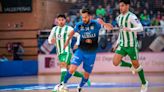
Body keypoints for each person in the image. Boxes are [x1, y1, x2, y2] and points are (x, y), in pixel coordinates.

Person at [58, 8, 112, 92]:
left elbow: (110, 28)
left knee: (86, 75)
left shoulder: (96, 24)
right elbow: (72, 32)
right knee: (72, 69)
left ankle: (80, 86)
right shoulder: (79, 25)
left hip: (91, 54)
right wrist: (67, 41)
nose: (84, 19)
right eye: (82, 17)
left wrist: (103, 23)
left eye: (85, 17)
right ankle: (63, 84)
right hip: (81, 51)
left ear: (90, 16)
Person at [48, 14, 91, 92]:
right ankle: (84, 78)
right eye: (59, 20)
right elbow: (49, 39)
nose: (61, 21)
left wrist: (77, 44)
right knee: (70, 70)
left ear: (65, 21)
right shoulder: (54, 29)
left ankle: (61, 85)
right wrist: (51, 41)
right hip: (59, 53)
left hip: (67, 51)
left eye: (62, 20)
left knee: (63, 66)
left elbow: (79, 35)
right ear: (57, 21)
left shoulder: (69, 28)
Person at [112, 0, 148, 92]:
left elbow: (141, 28)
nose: (121, 7)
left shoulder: (132, 16)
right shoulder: (118, 18)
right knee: (115, 62)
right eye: (120, 6)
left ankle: (144, 83)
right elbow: (121, 31)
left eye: (123, 6)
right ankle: (129, 66)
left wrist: (130, 29)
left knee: (137, 65)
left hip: (132, 45)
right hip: (123, 44)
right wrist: (116, 43)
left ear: (127, 6)